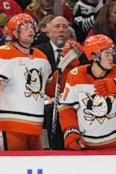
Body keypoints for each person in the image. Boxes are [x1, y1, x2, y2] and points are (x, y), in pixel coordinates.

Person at [0, 13, 52, 151]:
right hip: (9, 124)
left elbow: (49, 86)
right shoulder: (4, 52)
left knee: (34, 169)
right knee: (11, 168)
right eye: (25, 26)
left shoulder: (41, 57)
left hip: (35, 125)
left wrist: (67, 64)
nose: (31, 30)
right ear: (14, 32)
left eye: (32, 26)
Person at [58, 34, 116, 150]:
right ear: (94, 56)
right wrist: (70, 130)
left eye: (111, 53)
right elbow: (66, 107)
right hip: (86, 147)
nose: (111, 58)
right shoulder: (76, 75)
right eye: (107, 54)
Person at [36, 16, 83, 150]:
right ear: (48, 31)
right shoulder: (38, 51)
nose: (61, 30)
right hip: (44, 99)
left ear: (69, 32)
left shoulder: (80, 52)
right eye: (57, 27)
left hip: (73, 97)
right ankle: (56, 150)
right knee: (54, 108)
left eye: (65, 26)